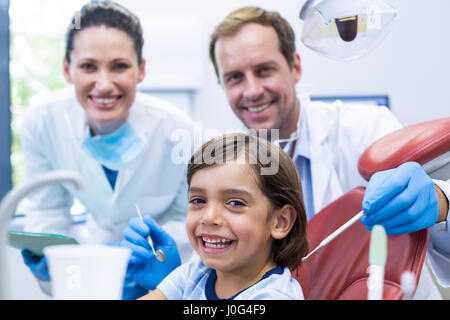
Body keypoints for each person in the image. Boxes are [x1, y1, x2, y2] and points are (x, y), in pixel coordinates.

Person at [207, 6, 450, 298]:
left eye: (264, 70)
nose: (252, 90)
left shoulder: (366, 130)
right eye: (235, 77)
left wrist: (441, 204)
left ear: (295, 66)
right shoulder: (226, 169)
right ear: (223, 85)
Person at [19, 1, 195, 299]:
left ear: (141, 69)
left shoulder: (180, 132)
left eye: (119, 66)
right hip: (91, 267)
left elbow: (190, 217)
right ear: (67, 69)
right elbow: (48, 211)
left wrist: (152, 261)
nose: (103, 85)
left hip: (162, 276)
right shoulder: (42, 122)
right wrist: (57, 261)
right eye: (88, 66)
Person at [121, 133, 309, 299]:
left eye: (235, 203)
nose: (209, 217)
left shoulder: (274, 296)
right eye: (198, 200)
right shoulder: (196, 273)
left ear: (280, 221)